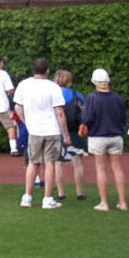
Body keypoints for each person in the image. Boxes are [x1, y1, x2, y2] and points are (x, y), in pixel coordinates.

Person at [14, 58, 70, 209]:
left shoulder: (24, 85)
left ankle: (27, 197)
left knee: (33, 163)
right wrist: (66, 134)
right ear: (47, 70)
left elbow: (18, 108)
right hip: (52, 130)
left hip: (34, 131)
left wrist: (27, 122)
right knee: (50, 163)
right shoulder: (53, 87)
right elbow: (59, 112)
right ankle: (47, 198)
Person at [81, 68, 128, 211]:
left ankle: (104, 203)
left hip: (98, 137)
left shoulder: (92, 98)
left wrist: (84, 126)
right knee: (117, 168)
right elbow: (123, 118)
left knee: (100, 168)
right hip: (115, 136)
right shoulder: (117, 98)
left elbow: (87, 118)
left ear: (94, 82)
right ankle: (122, 202)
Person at [52, 70, 87, 201]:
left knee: (57, 162)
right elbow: (84, 112)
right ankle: (79, 192)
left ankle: (61, 192)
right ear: (69, 81)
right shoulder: (77, 95)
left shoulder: (52, 94)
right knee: (77, 161)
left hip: (56, 131)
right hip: (74, 131)